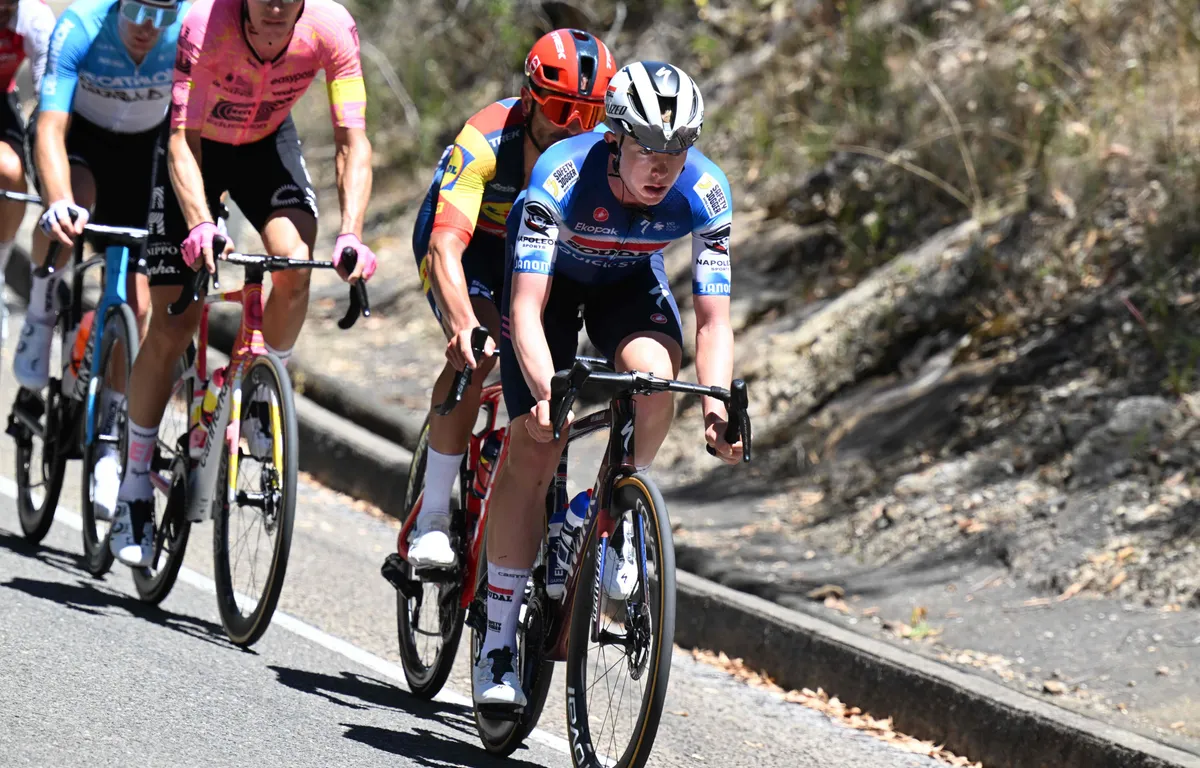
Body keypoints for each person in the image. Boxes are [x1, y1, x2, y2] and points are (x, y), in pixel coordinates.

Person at [474, 61, 743, 710]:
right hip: (549, 290)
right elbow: (525, 310)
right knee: (537, 444)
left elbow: (713, 321)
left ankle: (608, 511)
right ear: (614, 138)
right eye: (647, 149)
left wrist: (716, 407)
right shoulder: (562, 173)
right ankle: (498, 640)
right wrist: (545, 394)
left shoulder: (706, 191)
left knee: (656, 379)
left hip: (626, 284)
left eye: (677, 150)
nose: (663, 167)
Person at [110, 0, 376, 567]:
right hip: (195, 148)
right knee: (174, 324)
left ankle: (259, 391)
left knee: (296, 265)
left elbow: (352, 140)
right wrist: (199, 222)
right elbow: (181, 138)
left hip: (266, 146)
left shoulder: (332, 28)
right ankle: (133, 487)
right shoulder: (203, 25)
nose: (275, 6)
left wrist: (352, 231)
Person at [406, 28, 616, 570]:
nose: (574, 126)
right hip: (471, 248)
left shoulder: (602, 155)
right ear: (528, 98)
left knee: (554, 366)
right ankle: (432, 518)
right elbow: (445, 246)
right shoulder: (485, 139)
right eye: (561, 109)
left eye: (590, 114)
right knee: (479, 355)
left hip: (533, 256)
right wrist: (462, 325)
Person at [12, 0, 187, 522]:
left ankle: (110, 438)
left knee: (139, 303)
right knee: (73, 209)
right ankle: (41, 312)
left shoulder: (191, 30)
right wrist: (57, 201)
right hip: (77, 140)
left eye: (162, 16)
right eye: (136, 9)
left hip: (145, 154)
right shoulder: (80, 26)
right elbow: (49, 127)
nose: (147, 27)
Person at [0, 0, 55, 342]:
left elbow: (51, 99)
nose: (5, 8)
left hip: (1, 98)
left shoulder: (34, 17)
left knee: (11, 172)